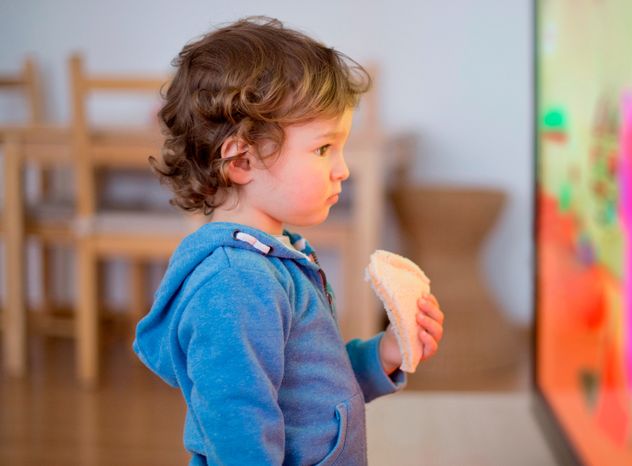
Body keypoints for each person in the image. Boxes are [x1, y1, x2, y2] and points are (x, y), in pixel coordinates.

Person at [133, 16, 444, 465]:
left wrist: (386, 352)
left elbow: (313, 385)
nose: (343, 169)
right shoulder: (237, 283)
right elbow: (238, 435)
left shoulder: (280, 257)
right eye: (323, 149)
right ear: (241, 161)